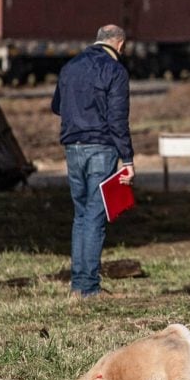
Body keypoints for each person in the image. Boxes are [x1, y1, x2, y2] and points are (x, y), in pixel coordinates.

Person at [51, 24, 135, 299]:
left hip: (72, 148)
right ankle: (89, 288)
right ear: (120, 45)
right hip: (102, 148)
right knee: (95, 218)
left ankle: (78, 285)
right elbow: (117, 119)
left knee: (81, 216)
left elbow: (56, 106)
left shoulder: (70, 66)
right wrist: (128, 159)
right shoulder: (115, 71)